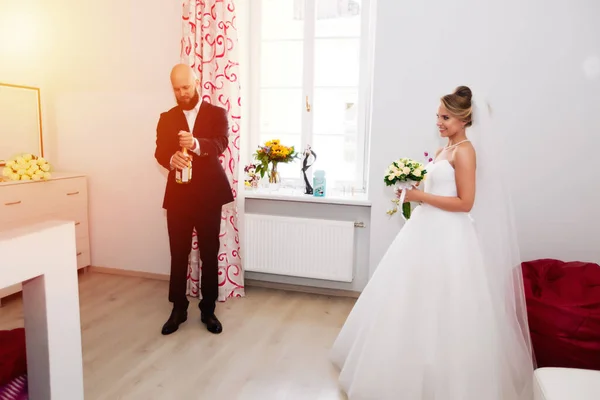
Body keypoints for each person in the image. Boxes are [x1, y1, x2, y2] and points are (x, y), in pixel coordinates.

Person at [329, 86, 535, 399]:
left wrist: (420, 196)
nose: (439, 122)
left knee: (446, 303)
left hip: (450, 236)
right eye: (438, 116)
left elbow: (466, 202)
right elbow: (438, 192)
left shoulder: (465, 151)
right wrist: (414, 192)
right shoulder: (443, 151)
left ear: (464, 120)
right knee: (410, 297)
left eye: (445, 117)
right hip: (425, 230)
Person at [154, 64, 233, 335]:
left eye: (186, 87)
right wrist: (170, 158)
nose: (182, 93)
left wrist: (195, 144)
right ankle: (178, 308)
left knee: (209, 253)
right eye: (176, 88)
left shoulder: (216, 113)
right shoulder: (167, 117)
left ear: (196, 82)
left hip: (209, 195)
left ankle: (208, 310)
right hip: (178, 197)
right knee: (178, 253)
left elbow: (221, 143)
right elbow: (160, 151)